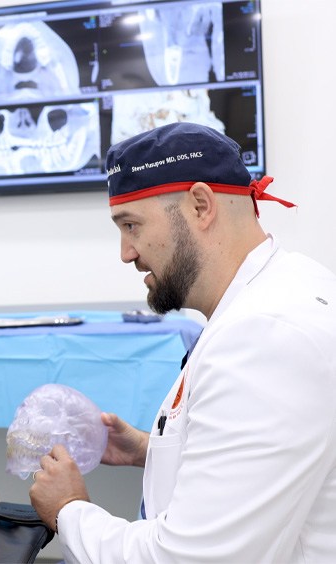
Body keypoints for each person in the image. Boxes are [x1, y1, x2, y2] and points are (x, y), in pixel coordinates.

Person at [29, 122, 336, 562]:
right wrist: (152, 450)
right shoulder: (289, 286)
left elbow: (192, 558)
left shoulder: (264, 338)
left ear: (200, 204)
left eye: (131, 225)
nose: (125, 252)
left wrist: (69, 512)